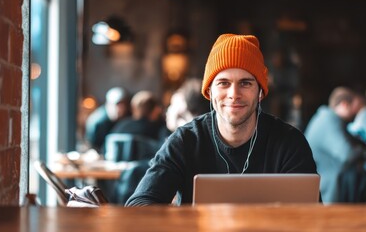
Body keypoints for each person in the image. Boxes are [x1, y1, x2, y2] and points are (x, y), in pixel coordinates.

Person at [125, 34, 318, 206]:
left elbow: (311, 215)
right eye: (223, 83)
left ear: (260, 92)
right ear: (209, 91)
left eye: (245, 83)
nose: (234, 94)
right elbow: (139, 204)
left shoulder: (290, 142)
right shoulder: (186, 140)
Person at [304, 86, 366, 203]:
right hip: (326, 190)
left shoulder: (327, 118)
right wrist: (365, 150)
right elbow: (347, 154)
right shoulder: (329, 120)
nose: (356, 113)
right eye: (354, 108)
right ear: (344, 104)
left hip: (327, 185)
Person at [85, 87, 130, 153]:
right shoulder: (97, 122)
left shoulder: (126, 118)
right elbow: (92, 147)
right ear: (108, 104)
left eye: (122, 105)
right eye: (117, 105)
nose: (120, 109)